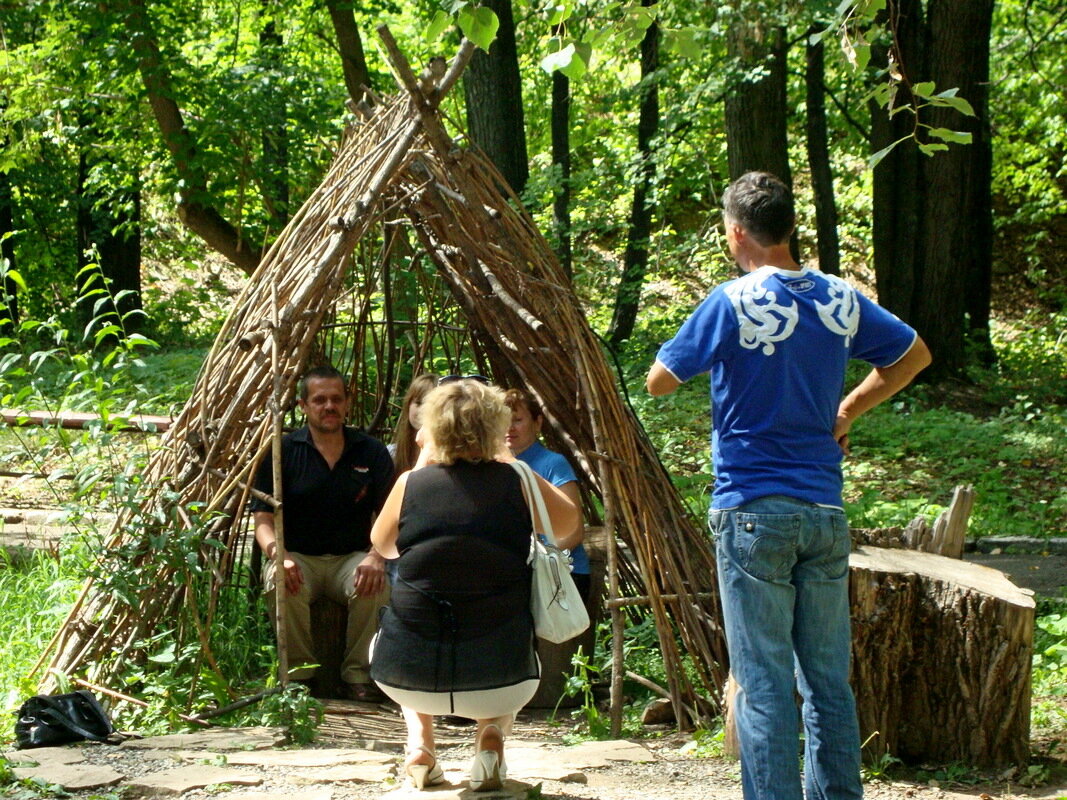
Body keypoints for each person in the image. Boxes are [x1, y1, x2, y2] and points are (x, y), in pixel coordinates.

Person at [646, 172, 931, 800]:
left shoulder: (730, 299)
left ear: (736, 232)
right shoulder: (841, 298)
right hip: (824, 510)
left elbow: (659, 380)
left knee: (765, 684)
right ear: (789, 229)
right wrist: (846, 411)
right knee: (828, 683)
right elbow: (912, 356)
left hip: (751, 508)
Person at [369, 378, 580, 791]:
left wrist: (422, 467)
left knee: (392, 632)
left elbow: (385, 546)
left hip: (406, 676)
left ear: (432, 428)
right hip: (503, 680)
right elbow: (569, 525)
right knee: (500, 624)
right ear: (496, 426)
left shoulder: (409, 483)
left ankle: (421, 746)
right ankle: (491, 738)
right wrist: (506, 460)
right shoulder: (518, 479)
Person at [252, 365, 395, 701]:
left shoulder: (370, 452)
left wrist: (376, 557)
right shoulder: (282, 452)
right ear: (303, 406)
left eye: (336, 399)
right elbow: (262, 521)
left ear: (347, 403)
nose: (328, 406)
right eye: (319, 400)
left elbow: (392, 514)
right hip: (298, 556)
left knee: (374, 583)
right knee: (279, 582)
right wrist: (279, 555)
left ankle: (358, 675)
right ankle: (301, 676)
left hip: (352, 556)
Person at [503, 388, 588, 599]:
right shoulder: (497, 468)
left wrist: (533, 559)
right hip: (523, 575)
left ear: (538, 423)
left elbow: (574, 532)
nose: (509, 428)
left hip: (563, 575)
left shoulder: (552, 463)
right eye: (502, 421)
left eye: (517, 420)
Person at [389, 373, 439, 474]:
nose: (423, 410)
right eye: (419, 403)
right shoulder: (391, 454)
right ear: (408, 405)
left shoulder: (450, 457)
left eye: (430, 405)